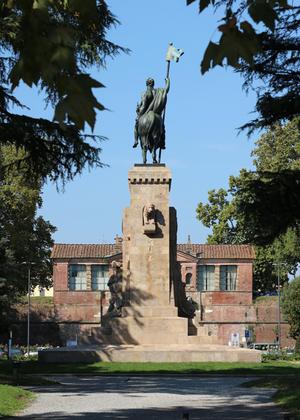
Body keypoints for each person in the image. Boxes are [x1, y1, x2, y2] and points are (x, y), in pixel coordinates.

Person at [133, 77, 170, 150]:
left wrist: (139, 114)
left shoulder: (144, 93)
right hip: (156, 114)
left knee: (136, 125)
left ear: (146, 84)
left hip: (145, 113)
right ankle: (162, 143)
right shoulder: (157, 91)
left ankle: (136, 141)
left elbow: (143, 106)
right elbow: (166, 90)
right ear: (153, 84)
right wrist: (168, 82)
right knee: (162, 127)